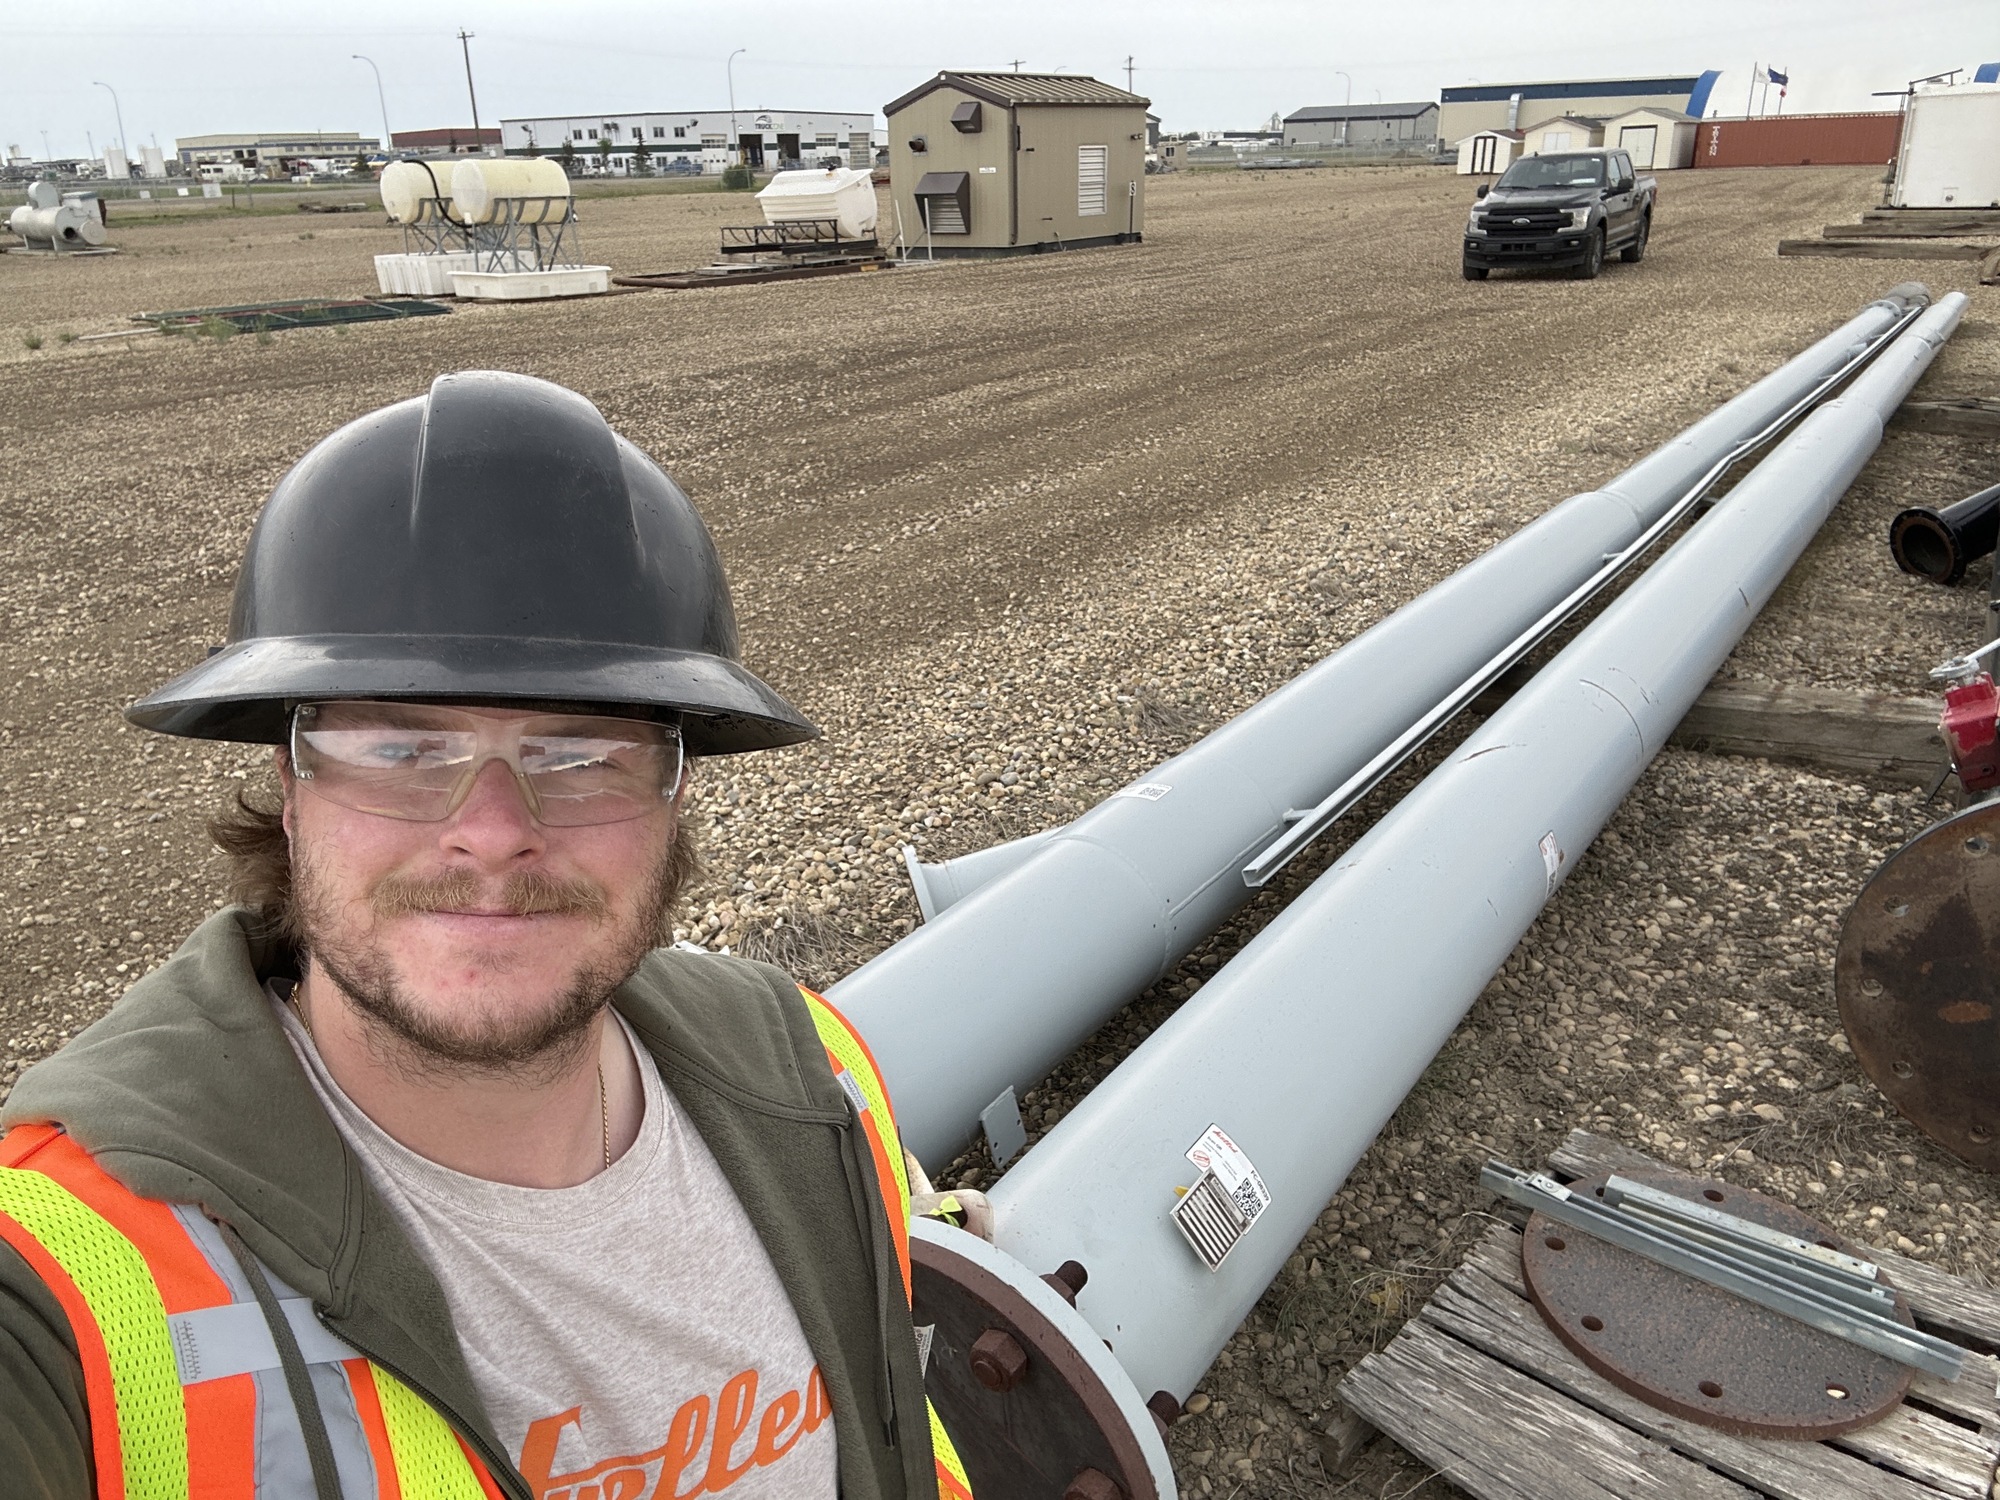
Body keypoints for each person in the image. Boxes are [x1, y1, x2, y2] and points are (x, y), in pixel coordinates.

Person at [0, 372, 974, 1499]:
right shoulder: (63, 1269)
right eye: (401, 749)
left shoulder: (807, 1071)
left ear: (674, 795)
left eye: (581, 752)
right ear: (290, 786)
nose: (496, 831)